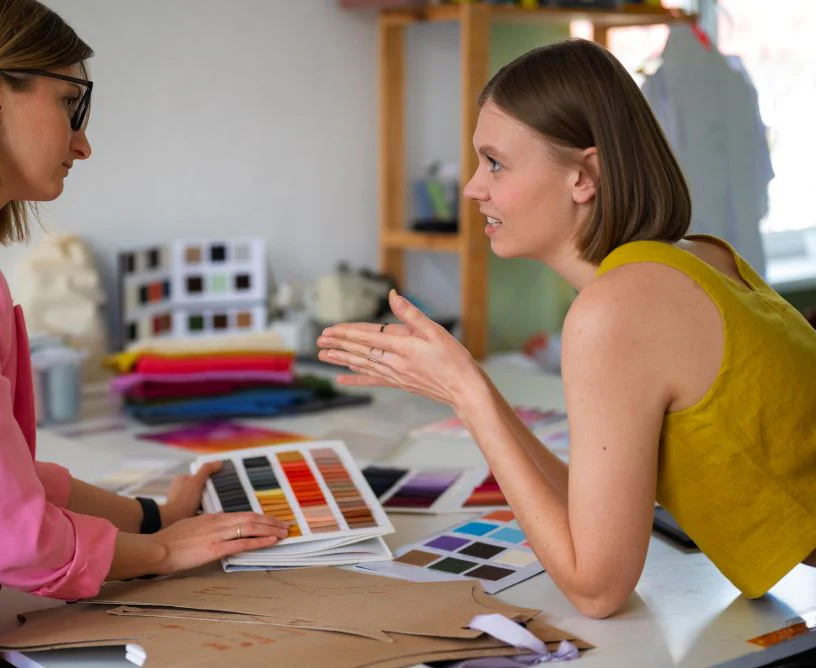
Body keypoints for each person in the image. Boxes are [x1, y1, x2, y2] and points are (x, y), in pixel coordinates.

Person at [0, 1, 287, 666]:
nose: (83, 141)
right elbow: (12, 534)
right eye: (72, 103)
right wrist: (161, 554)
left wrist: (151, 516)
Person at [317, 38, 816, 618]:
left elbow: (597, 588)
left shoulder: (617, 310)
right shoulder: (694, 257)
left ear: (585, 175)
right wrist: (470, 385)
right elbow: (587, 511)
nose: (474, 188)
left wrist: (465, 393)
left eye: (495, 163)